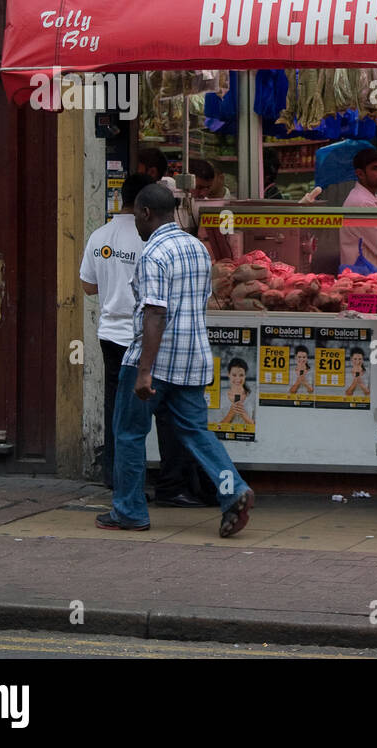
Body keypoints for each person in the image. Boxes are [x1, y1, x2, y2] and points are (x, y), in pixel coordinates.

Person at [100, 182, 256, 536]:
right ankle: (233, 490)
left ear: (145, 213)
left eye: (136, 217)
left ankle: (129, 511)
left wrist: (144, 372)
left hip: (155, 360)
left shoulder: (154, 254)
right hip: (193, 359)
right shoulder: (196, 248)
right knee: (195, 432)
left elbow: (155, 313)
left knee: (128, 433)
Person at [80, 172, 155, 489]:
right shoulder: (148, 238)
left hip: (109, 334)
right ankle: (133, 478)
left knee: (114, 405)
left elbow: (87, 287)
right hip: (140, 338)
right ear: (144, 204)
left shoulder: (100, 236)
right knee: (141, 413)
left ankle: (113, 473)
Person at [339, 148, 377, 270]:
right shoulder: (361, 203)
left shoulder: (371, 198)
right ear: (360, 174)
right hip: (362, 277)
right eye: (376, 168)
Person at [220, 358, 254, 426]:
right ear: (229, 375)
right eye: (234, 375)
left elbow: (260, 427)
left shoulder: (253, 397)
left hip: (247, 436)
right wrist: (230, 413)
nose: (238, 379)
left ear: (245, 376)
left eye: (241, 375)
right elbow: (215, 427)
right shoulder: (220, 398)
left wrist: (244, 414)